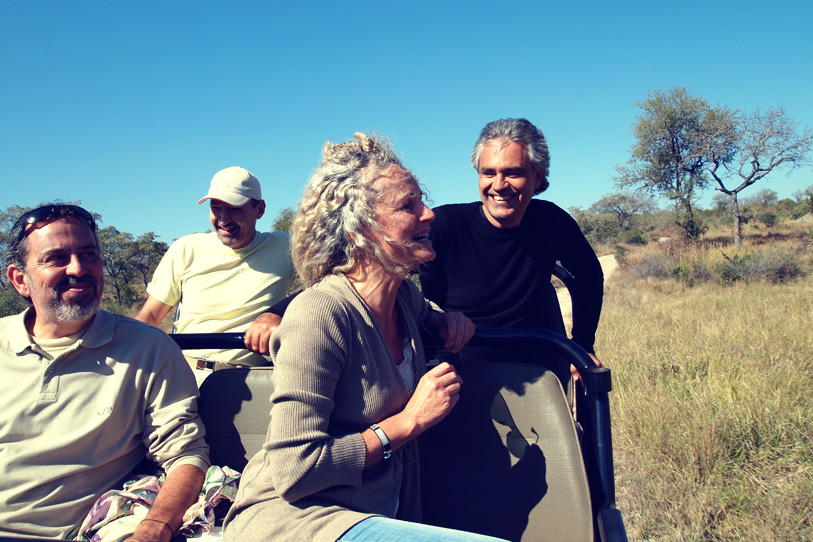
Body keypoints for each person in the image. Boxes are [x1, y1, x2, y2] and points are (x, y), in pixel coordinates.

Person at [223, 134, 508, 542]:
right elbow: (294, 469)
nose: (429, 215)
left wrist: (448, 322)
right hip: (297, 521)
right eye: (408, 205)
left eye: (421, 199)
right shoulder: (320, 313)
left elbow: (432, 315)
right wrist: (408, 422)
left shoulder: (405, 298)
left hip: (371, 514)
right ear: (358, 230)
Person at [0, 204, 209, 541]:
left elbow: (186, 453)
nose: (78, 269)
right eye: (56, 258)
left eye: (89, 255)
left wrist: (155, 528)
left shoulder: (147, 349)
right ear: (20, 280)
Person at [419, 118, 604, 377]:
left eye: (513, 173)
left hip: (540, 367)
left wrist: (583, 344)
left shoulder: (552, 221)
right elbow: (389, 278)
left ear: (537, 177)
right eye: (489, 173)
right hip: (459, 367)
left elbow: (589, 275)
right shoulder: (443, 225)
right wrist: (431, 315)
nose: (498, 185)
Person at [136, 166, 295, 381]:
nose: (223, 218)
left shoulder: (285, 246)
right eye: (216, 208)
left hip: (251, 379)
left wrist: (278, 312)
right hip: (184, 373)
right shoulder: (186, 248)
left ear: (259, 210)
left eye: (235, 208)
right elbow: (151, 316)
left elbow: (331, 283)